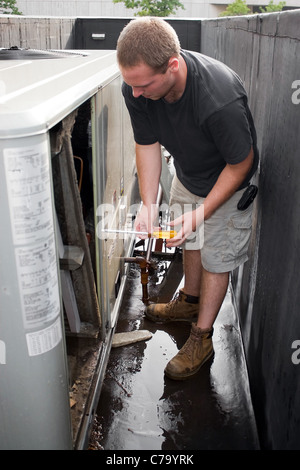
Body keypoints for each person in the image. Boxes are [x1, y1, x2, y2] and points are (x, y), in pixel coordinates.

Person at [116, 17, 259, 380]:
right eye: (130, 84)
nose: (135, 93)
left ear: (173, 66)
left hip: (227, 181)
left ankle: (202, 336)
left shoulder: (219, 98)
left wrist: (202, 212)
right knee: (190, 242)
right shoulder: (137, 87)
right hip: (188, 173)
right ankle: (188, 303)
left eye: (143, 85)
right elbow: (146, 143)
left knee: (216, 258)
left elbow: (241, 163)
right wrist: (149, 203)